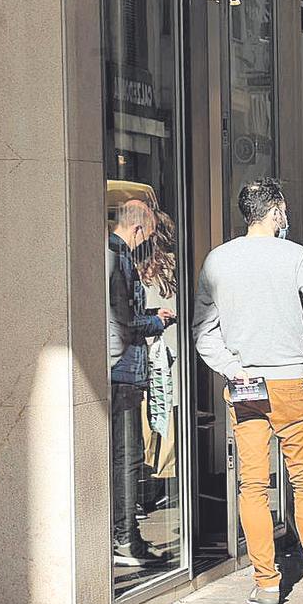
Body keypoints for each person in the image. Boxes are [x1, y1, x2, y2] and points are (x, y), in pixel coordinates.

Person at [192, 178, 303, 604]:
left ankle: (266, 583)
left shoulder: (218, 260)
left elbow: (203, 333)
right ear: (277, 210)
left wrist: (233, 368)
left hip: (245, 384)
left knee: (252, 485)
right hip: (289, 381)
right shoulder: (296, 255)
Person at [108, 200, 174, 566]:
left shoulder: (114, 257)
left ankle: (124, 535)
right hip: (123, 372)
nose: (146, 244)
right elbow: (124, 324)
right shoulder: (118, 260)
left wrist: (150, 314)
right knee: (127, 457)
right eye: (146, 237)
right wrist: (157, 324)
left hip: (121, 371)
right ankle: (124, 538)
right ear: (137, 230)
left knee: (126, 456)